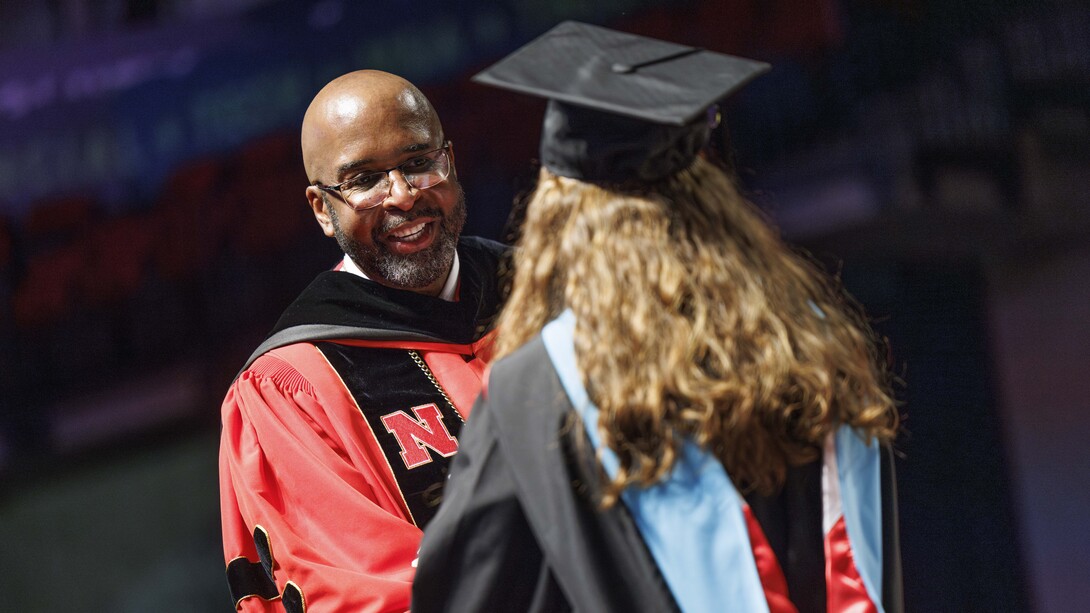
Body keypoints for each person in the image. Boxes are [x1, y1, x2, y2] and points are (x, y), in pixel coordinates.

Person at [412, 22, 903, 613]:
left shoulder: (539, 389)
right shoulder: (808, 342)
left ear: (560, 212)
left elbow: (466, 594)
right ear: (707, 196)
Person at [219, 70, 507, 613]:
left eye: (419, 162)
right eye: (364, 180)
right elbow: (359, 591)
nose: (402, 196)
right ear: (321, 209)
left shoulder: (553, 293)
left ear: (451, 160)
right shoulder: (292, 386)